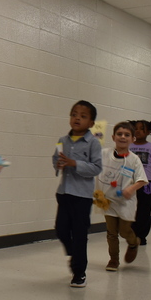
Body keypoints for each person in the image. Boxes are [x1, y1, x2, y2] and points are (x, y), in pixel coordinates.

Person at [53, 100, 103, 288]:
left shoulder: (93, 143)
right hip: (64, 192)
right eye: (74, 114)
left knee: (80, 234)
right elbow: (55, 159)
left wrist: (75, 164)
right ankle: (74, 254)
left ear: (91, 123)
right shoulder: (62, 140)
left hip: (82, 196)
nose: (77, 118)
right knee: (61, 229)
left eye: (83, 116)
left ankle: (79, 272)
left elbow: (97, 167)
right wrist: (58, 164)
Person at [96, 122, 148, 271]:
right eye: (119, 134)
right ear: (113, 137)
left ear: (132, 139)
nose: (123, 137)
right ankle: (113, 260)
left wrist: (131, 188)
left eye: (127, 135)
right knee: (111, 233)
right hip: (108, 201)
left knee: (124, 231)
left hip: (126, 202)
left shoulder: (134, 159)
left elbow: (142, 180)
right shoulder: (104, 154)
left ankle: (133, 243)